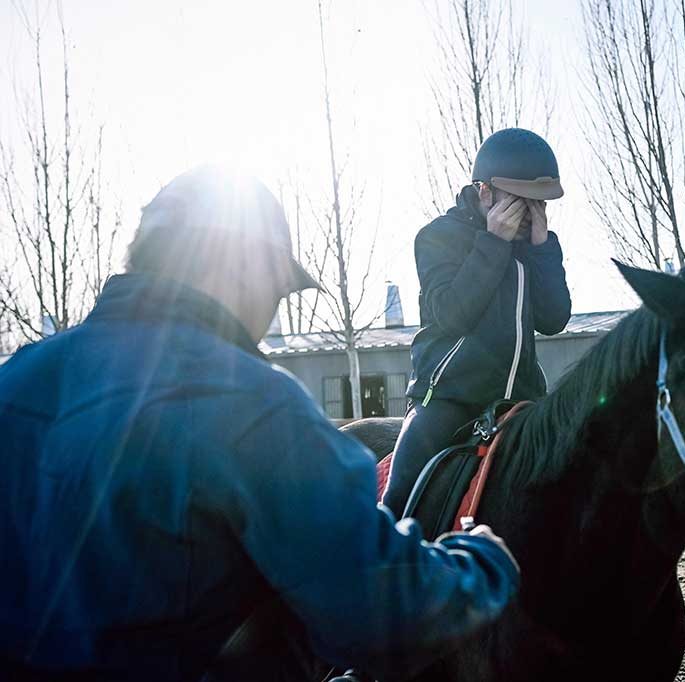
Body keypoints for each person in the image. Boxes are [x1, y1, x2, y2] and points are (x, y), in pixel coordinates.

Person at [0, 165, 520, 682]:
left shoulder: (18, 379)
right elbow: (380, 613)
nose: (270, 313)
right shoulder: (250, 404)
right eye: (276, 288)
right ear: (241, 267)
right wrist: (481, 562)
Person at [381, 128, 572, 516]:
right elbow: (452, 315)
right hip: (448, 396)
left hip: (523, 397)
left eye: (539, 204)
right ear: (485, 192)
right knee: (399, 499)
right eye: (520, 202)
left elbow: (554, 320)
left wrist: (542, 250)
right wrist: (494, 242)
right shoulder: (438, 237)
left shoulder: (532, 244)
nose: (530, 213)